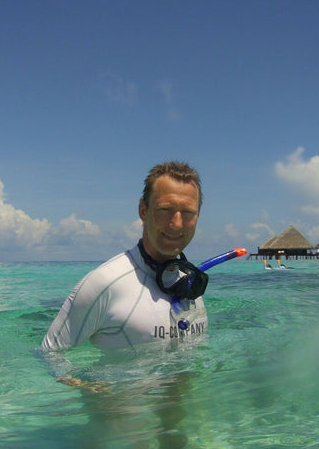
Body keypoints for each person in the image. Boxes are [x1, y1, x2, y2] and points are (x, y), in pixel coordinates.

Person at [39, 160, 207, 390]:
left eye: (188, 213)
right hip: (124, 420)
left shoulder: (189, 285)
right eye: (165, 210)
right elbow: (49, 354)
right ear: (143, 210)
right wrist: (90, 388)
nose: (177, 224)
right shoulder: (105, 283)